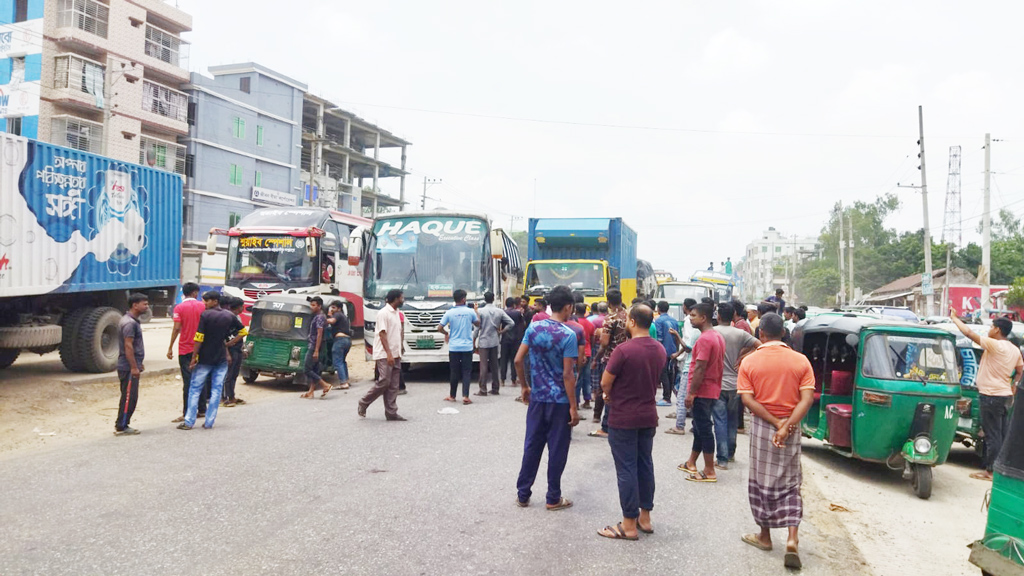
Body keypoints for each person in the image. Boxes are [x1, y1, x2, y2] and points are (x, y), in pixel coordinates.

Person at [737, 313, 815, 570]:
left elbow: (748, 400)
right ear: (783, 333)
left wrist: (774, 423)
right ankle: (792, 538)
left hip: (762, 425)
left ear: (761, 334)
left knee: (761, 481)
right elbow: (806, 400)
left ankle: (765, 536)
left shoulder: (750, 362)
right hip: (791, 426)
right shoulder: (801, 361)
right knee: (791, 482)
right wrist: (787, 425)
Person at [597, 304, 664, 540]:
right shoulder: (659, 349)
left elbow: (606, 382)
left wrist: (608, 395)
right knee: (645, 464)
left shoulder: (623, 350)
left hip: (623, 416)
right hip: (648, 416)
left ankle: (628, 524)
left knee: (626, 469)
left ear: (633, 322)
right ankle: (645, 517)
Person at [514, 285, 579, 511]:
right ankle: (553, 497)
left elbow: (518, 360)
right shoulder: (568, 335)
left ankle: (523, 494)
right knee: (557, 449)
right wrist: (573, 406)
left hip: (538, 399)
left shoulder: (533, 328)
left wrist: (525, 386)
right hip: (560, 402)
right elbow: (567, 374)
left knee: (532, 445)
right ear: (569, 306)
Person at [950, 311, 1022, 480]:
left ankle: (990, 471)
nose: (989, 329)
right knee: (1001, 434)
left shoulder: (996, 345)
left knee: (992, 435)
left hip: (991, 396)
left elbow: (968, 333)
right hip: (1005, 397)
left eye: (991, 326)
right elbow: (1020, 371)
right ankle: (999, 469)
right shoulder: (1014, 349)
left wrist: (955, 318)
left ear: (997, 330)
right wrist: (1013, 387)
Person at [178, 291, 242, 430]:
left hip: (205, 359)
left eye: (206, 301)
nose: (204, 304)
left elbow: (199, 337)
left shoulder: (205, 315)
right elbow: (243, 331)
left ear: (214, 301)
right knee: (216, 390)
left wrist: (194, 357)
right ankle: (209, 422)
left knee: (195, 389)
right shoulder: (229, 315)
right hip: (221, 359)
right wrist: (228, 344)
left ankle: (189, 422)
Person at [679, 302, 725, 482]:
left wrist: (691, 393)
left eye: (693, 315)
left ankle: (709, 470)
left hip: (703, 390)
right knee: (699, 427)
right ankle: (691, 462)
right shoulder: (715, 336)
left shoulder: (706, 339)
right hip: (710, 389)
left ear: (703, 318)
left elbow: (700, 367)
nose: (690, 318)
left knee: (704, 429)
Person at [712, 303, 760, 469]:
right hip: (736, 383)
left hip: (717, 384)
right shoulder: (740, 333)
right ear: (733, 315)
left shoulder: (712, 333)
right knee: (732, 420)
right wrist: (744, 358)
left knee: (719, 420)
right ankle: (730, 454)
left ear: (718, 316)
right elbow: (760, 346)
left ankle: (722, 458)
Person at [358, 289, 406, 421]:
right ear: (396, 298)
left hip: (395, 354)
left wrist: (400, 348)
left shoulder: (397, 313)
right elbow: (382, 334)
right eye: (402, 298)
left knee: (394, 384)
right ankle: (364, 402)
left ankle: (391, 412)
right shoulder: (383, 313)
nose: (403, 300)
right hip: (385, 354)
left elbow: (398, 333)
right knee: (384, 381)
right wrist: (389, 354)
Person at [167, 283, 208, 423]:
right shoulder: (203, 307)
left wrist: (170, 346)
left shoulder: (179, 308)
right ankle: (202, 409)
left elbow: (176, 328)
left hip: (186, 349)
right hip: (202, 348)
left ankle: (187, 413)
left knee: (188, 381)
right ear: (195, 293)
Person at [591, 289, 629, 438]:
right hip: (628, 358)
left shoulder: (610, 318)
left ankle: (606, 426)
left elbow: (605, 343)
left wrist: (596, 358)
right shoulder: (629, 316)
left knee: (607, 391)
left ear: (608, 302)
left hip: (611, 359)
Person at [115, 293, 149, 436]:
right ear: (135, 305)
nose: (147, 306)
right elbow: (128, 346)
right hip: (127, 367)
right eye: (144, 304)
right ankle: (122, 426)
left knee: (130, 396)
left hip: (131, 365)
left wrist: (138, 364)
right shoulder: (129, 323)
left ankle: (123, 423)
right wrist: (134, 367)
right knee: (129, 397)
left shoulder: (132, 321)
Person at [439, 289, 480, 403]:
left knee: (454, 371)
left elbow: (439, 327)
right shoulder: (470, 312)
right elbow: (478, 324)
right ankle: (465, 396)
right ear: (463, 299)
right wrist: (476, 311)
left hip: (454, 347)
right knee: (466, 371)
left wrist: (447, 333)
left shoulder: (449, 312)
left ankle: (452, 396)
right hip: (467, 347)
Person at [666, 298, 698, 435]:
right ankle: (695, 425)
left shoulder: (692, 326)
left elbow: (687, 346)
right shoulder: (708, 331)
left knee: (682, 395)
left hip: (689, 365)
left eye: (693, 316)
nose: (691, 318)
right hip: (693, 365)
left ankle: (679, 426)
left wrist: (676, 335)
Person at [477, 291, 515, 396]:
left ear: (485, 299)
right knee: (494, 365)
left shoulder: (480, 311)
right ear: (493, 299)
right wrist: (502, 331)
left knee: (484, 366)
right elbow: (511, 323)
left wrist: (473, 339)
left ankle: (483, 389)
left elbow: (477, 327)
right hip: (495, 341)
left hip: (483, 341)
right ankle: (495, 388)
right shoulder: (499, 311)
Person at [299, 296, 332, 399]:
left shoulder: (319, 317)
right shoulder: (318, 316)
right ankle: (311, 391)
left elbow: (319, 334)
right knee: (315, 368)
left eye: (313, 305)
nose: (311, 307)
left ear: (319, 306)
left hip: (315, 345)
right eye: (311, 305)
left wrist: (316, 350)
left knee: (306, 369)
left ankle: (325, 385)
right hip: (316, 345)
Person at [222, 297, 248, 407]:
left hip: (237, 349)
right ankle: (226, 398)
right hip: (230, 350)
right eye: (242, 306)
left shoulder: (237, 318)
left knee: (234, 375)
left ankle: (232, 396)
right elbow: (223, 337)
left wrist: (243, 349)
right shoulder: (227, 317)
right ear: (238, 307)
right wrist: (227, 347)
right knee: (228, 375)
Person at [653, 301, 678, 407]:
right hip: (673, 350)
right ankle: (667, 396)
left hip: (663, 351)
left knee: (663, 374)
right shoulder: (674, 320)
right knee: (670, 373)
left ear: (658, 309)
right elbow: (677, 336)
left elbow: (659, 338)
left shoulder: (658, 321)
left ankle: (666, 398)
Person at [574, 303, 596, 410]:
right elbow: (592, 338)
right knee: (587, 378)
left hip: (578, 352)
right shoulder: (589, 323)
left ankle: (576, 402)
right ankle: (587, 401)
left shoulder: (574, 323)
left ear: (575, 311)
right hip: (588, 352)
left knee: (578, 378)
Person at [326, 300, 352, 390]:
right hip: (347, 340)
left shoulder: (338, 314)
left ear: (339, 308)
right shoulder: (343, 316)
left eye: (334, 307)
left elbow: (332, 321)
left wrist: (322, 319)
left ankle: (343, 383)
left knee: (337, 361)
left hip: (340, 340)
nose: (332, 309)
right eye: (331, 307)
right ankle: (346, 380)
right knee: (342, 361)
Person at [500, 297, 525, 387]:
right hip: (515, 339)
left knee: (504, 359)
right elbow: (523, 324)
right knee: (514, 359)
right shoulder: (518, 313)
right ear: (514, 304)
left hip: (505, 338)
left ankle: (502, 380)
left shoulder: (502, 313)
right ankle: (513, 380)